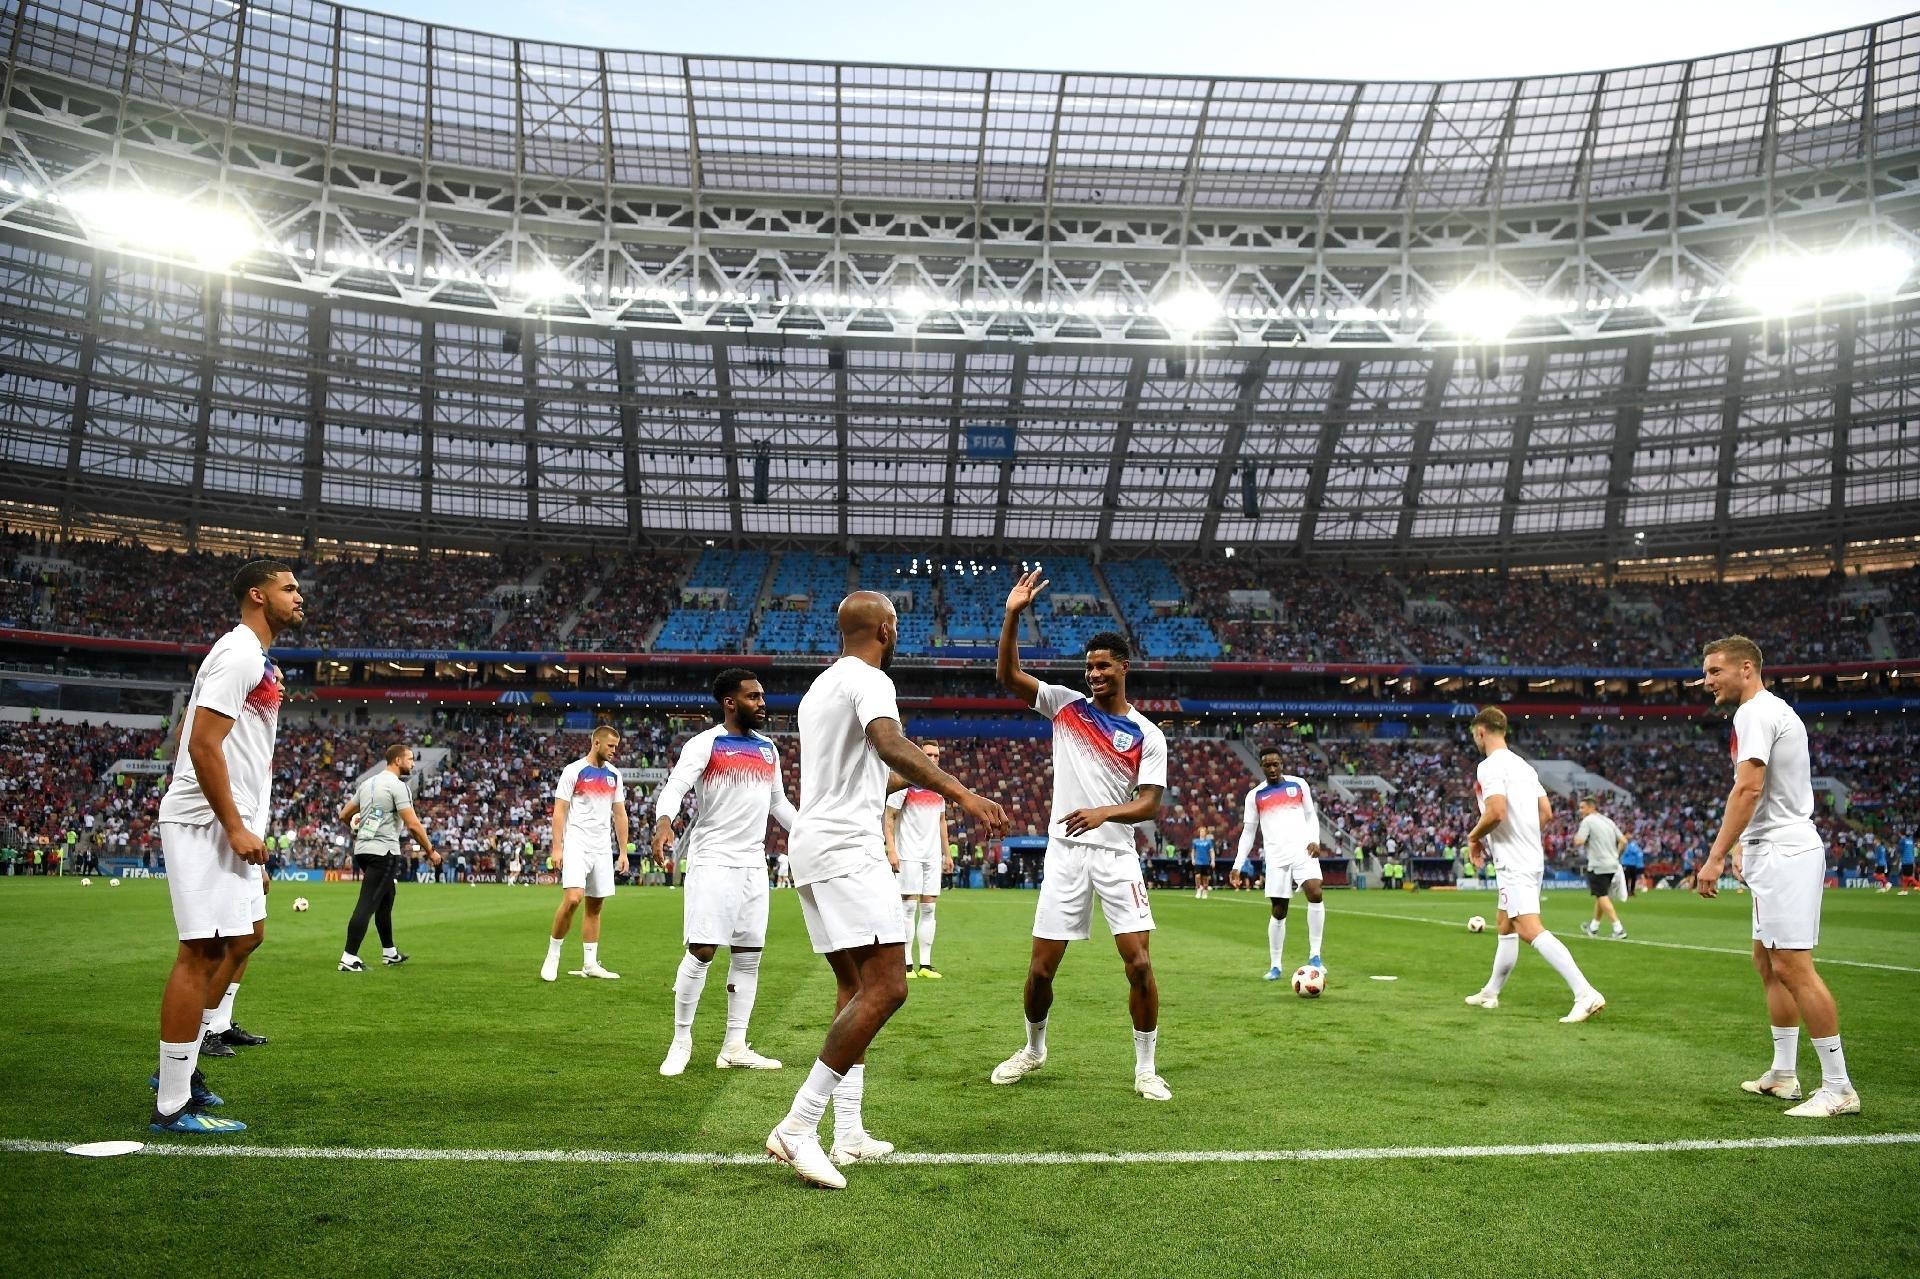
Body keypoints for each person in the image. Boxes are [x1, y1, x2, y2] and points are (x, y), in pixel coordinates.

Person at [765, 592, 1007, 1189]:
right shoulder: (871, 680)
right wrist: (963, 794)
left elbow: (870, 766)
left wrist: (932, 781)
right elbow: (890, 742)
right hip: (850, 848)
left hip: (814, 843)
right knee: (889, 987)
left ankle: (847, 1132)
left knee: (852, 986)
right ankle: (797, 1127)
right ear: (886, 628)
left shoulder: (822, 686)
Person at [989, 568, 1172, 1102]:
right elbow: (1009, 676)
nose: (1093, 674)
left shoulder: (1147, 734)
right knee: (1041, 972)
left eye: (1102, 666)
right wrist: (1012, 615)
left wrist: (1103, 813)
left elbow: (1149, 804)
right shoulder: (1067, 707)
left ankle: (1145, 1068)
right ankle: (1033, 1048)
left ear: (1123, 668)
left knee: (1138, 964)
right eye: (1088, 666)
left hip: (1116, 857)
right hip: (1066, 855)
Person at [147, 560, 303, 1134]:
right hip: (202, 821)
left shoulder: (252, 657)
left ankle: (182, 1070)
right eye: (289, 588)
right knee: (199, 954)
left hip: (225, 820)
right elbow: (202, 744)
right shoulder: (240, 654)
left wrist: (246, 830)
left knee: (243, 937)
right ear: (258, 596)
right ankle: (171, 1104)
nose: (300, 596)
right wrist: (236, 829)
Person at [1696, 636, 1860, 1117]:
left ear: (1746, 668)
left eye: (1714, 672)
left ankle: (1839, 1086)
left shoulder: (1754, 713)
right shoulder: (1764, 711)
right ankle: (1785, 1074)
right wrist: (1747, 844)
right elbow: (1762, 794)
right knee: (1768, 964)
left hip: (1786, 850)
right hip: (1772, 847)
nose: (1707, 682)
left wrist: (1716, 856)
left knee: (1792, 966)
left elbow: (1748, 789)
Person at [651, 669, 795, 1076]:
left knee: (749, 955)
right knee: (702, 950)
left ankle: (735, 1045)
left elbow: (779, 804)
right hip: (712, 859)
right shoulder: (705, 743)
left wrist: (812, 834)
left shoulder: (768, 748)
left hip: (753, 863)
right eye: (753, 697)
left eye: (762, 696)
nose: (762, 703)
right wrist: (665, 822)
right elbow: (676, 786)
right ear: (730, 703)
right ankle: (681, 1040)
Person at [1461, 707, 1604, 1023]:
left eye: (1474, 734)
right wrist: (1523, 835)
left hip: (1514, 862)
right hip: (1530, 856)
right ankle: (1491, 992)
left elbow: (1496, 811)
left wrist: (1473, 838)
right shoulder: (1524, 767)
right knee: (1505, 924)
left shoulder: (1489, 767)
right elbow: (1546, 812)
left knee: (1528, 928)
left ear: (1481, 732)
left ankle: (1585, 993)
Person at [337, 744, 440, 971]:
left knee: (386, 898)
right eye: (410, 759)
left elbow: (344, 814)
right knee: (367, 903)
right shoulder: (398, 787)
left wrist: (355, 828)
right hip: (384, 852)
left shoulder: (368, 783)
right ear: (397, 761)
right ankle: (349, 957)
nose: (413, 763)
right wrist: (431, 851)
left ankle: (390, 952)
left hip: (363, 850)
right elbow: (413, 825)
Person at [540, 725, 630, 983]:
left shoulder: (614, 775)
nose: (615, 751)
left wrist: (622, 851)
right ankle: (553, 955)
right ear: (597, 744)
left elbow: (620, 813)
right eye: (611, 746)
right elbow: (560, 810)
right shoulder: (573, 771)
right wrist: (557, 847)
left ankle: (590, 963)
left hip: (602, 847)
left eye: (616, 746)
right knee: (573, 899)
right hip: (577, 844)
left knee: (595, 904)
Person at [1229, 746, 1326, 981]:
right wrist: (1237, 864)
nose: (1272, 769)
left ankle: (1315, 955)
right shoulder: (1255, 796)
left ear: (1281, 764)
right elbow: (1249, 832)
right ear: (1261, 767)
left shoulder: (1298, 785)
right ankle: (1275, 965)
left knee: (1315, 892)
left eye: (1276, 764)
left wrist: (1315, 839)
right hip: (1276, 858)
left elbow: (1311, 816)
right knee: (1279, 911)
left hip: (1303, 852)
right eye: (1267, 765)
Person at [884, 742, 952, 979]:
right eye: (929, 754)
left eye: (936, 755)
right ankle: (906, 964)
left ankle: (926, 964)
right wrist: (891, 849)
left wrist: (947, 853)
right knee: (908, 907)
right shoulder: (905, 784)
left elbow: (942, 822)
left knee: (929, 908)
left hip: (931, 857)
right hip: (908, 854)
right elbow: (889, 817)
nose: (933, 759)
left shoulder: (939, 788)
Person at [1573, 796, 1627, 940]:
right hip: (1612, 864)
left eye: (1582, 807)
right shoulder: (1608, 821)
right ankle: (1593, 927)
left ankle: (1618, 928)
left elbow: (1579, 841)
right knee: (1601, 895)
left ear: (1591, 807)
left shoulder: (1587, 821)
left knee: (1601, 896)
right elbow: (1623, 841)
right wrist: (1616, 854)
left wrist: (1576, 838)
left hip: (1598, 865)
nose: (1580, 810)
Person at [1191, 826, 1215, 899]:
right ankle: (1198, 889)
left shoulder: (1209, 842)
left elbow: (1211, 851)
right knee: (1197, 876)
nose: (1202, 833)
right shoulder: (1195, 841)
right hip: (1198, 861)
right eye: (1201, 832)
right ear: (1199, 833)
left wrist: (1213, 860)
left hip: (1206, 862)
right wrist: (1193, 859)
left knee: (1205, 878)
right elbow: (1193, 851)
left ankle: (1205, 891)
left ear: (1206, 833)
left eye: (1203, 832)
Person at [1621, 832, 1645, 897]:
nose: (1629, 836)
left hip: (1633, 864)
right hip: (1625, 863)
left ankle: (1632, 891)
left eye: (1630, 835)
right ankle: (1626, 892)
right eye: (1628, 835)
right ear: (1625, 836)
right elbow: (1626, 852)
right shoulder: (1623, 843)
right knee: (1626, 878)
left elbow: (1637, 851)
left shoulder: (1634, 844)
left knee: (1633, 878)